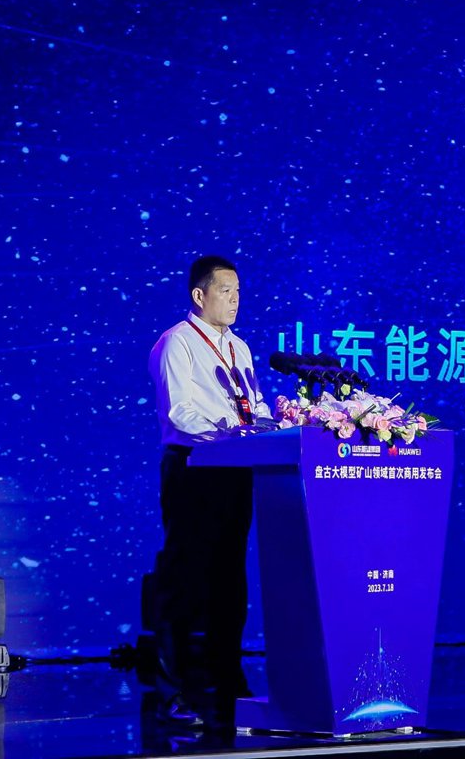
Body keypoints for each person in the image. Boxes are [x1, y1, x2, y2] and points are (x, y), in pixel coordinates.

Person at [147, 254, 275, 729]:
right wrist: (234, 432)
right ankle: (174, 690)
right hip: (193, 467)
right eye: (226, 291)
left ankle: (227, 680)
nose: (235, 300)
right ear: (200, 295)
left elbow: (253, 404)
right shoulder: (177, 342)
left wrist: (269, 425)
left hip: (234, 468)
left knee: (229, 579)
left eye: (239, 291)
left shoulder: (239, 347)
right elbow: (180, 411)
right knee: (185, 578)